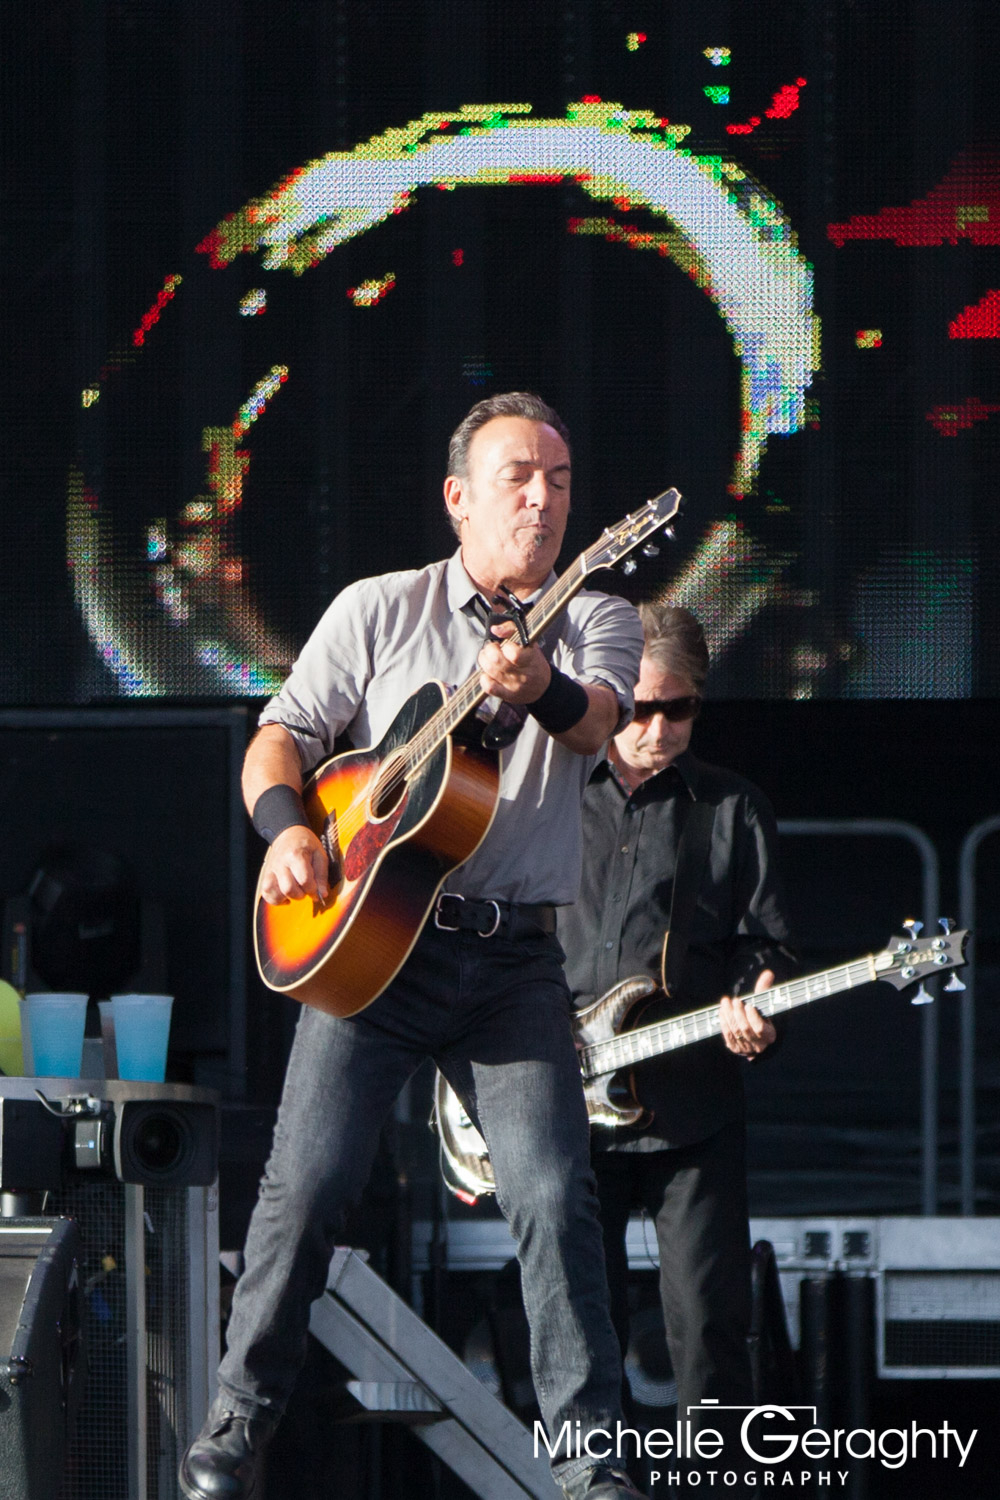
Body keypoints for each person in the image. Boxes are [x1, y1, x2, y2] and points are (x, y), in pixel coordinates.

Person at [180, 392, 650, 1500]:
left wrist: (539, 687)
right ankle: (237, 1420)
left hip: (511, 962)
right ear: (457, 500)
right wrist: (290, 831)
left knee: (548, 1190)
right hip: (371, 950)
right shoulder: (377, 611)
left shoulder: (599, 616)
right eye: (518, 478)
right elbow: (278, 739)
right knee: (310, 1184)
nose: (544, 499)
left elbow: (596, 723)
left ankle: (590, 1459)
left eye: (562, 481)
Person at [557, 602, 795, 1470]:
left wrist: (753, 1003)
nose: (657, 730)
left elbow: (765, 945)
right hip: (567, 1110)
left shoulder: (732, 808)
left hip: (691, 1104)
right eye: (638, 708)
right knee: (584, 1331)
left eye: (679, 709)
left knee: (710, 1332)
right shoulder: (545, 796)